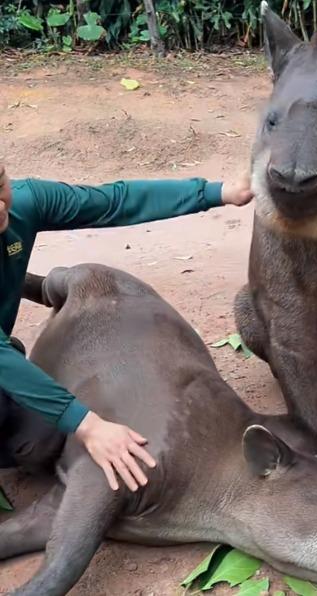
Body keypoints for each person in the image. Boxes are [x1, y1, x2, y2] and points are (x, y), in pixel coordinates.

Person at [0, 162, 254, 492]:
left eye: (0, 182)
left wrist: (217, 192)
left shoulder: (23, 203)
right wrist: (89, 425)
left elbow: (114, 201)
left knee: (42, 440)